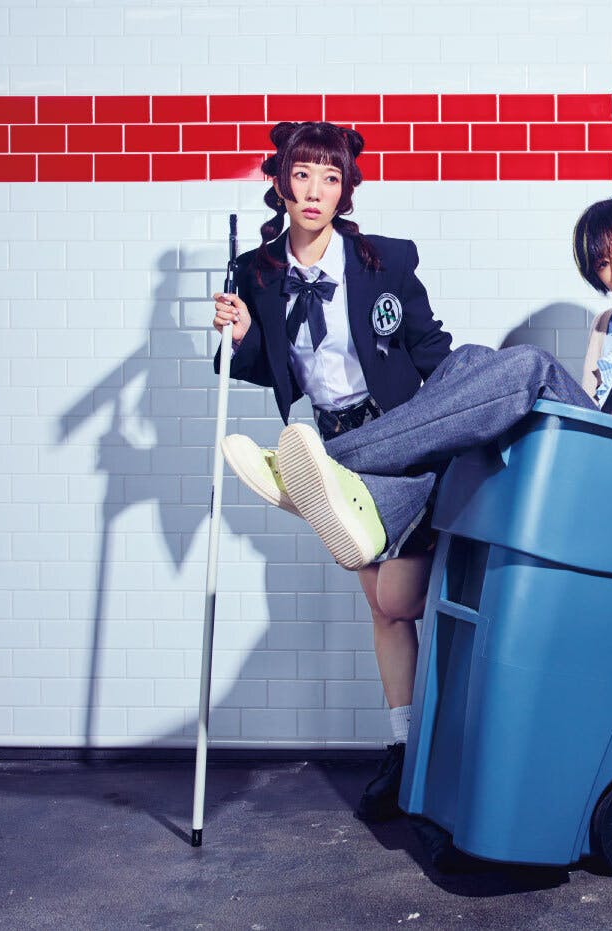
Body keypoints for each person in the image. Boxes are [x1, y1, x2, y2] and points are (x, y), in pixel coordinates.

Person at [222, 197, 612, 861]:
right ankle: (370, 503)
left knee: (528, 368)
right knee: (469, 366)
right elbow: (594, 417)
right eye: (603, 263)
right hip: (604, 479)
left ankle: (335, 466)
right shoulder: (609, 325)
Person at [211, 120, 452, 822]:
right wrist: (239, 336)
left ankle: (295, 487)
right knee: (381, 609)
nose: (315, 190)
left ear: (346, 189)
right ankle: (404, 747)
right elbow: (263, 366)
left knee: (399, 599)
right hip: (335, 442)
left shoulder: (385, 260)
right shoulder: (256, 271)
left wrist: (461, 423)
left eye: (330, 176)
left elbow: (429, 346)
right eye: (302, 174)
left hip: (401, 432)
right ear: (281, 183)